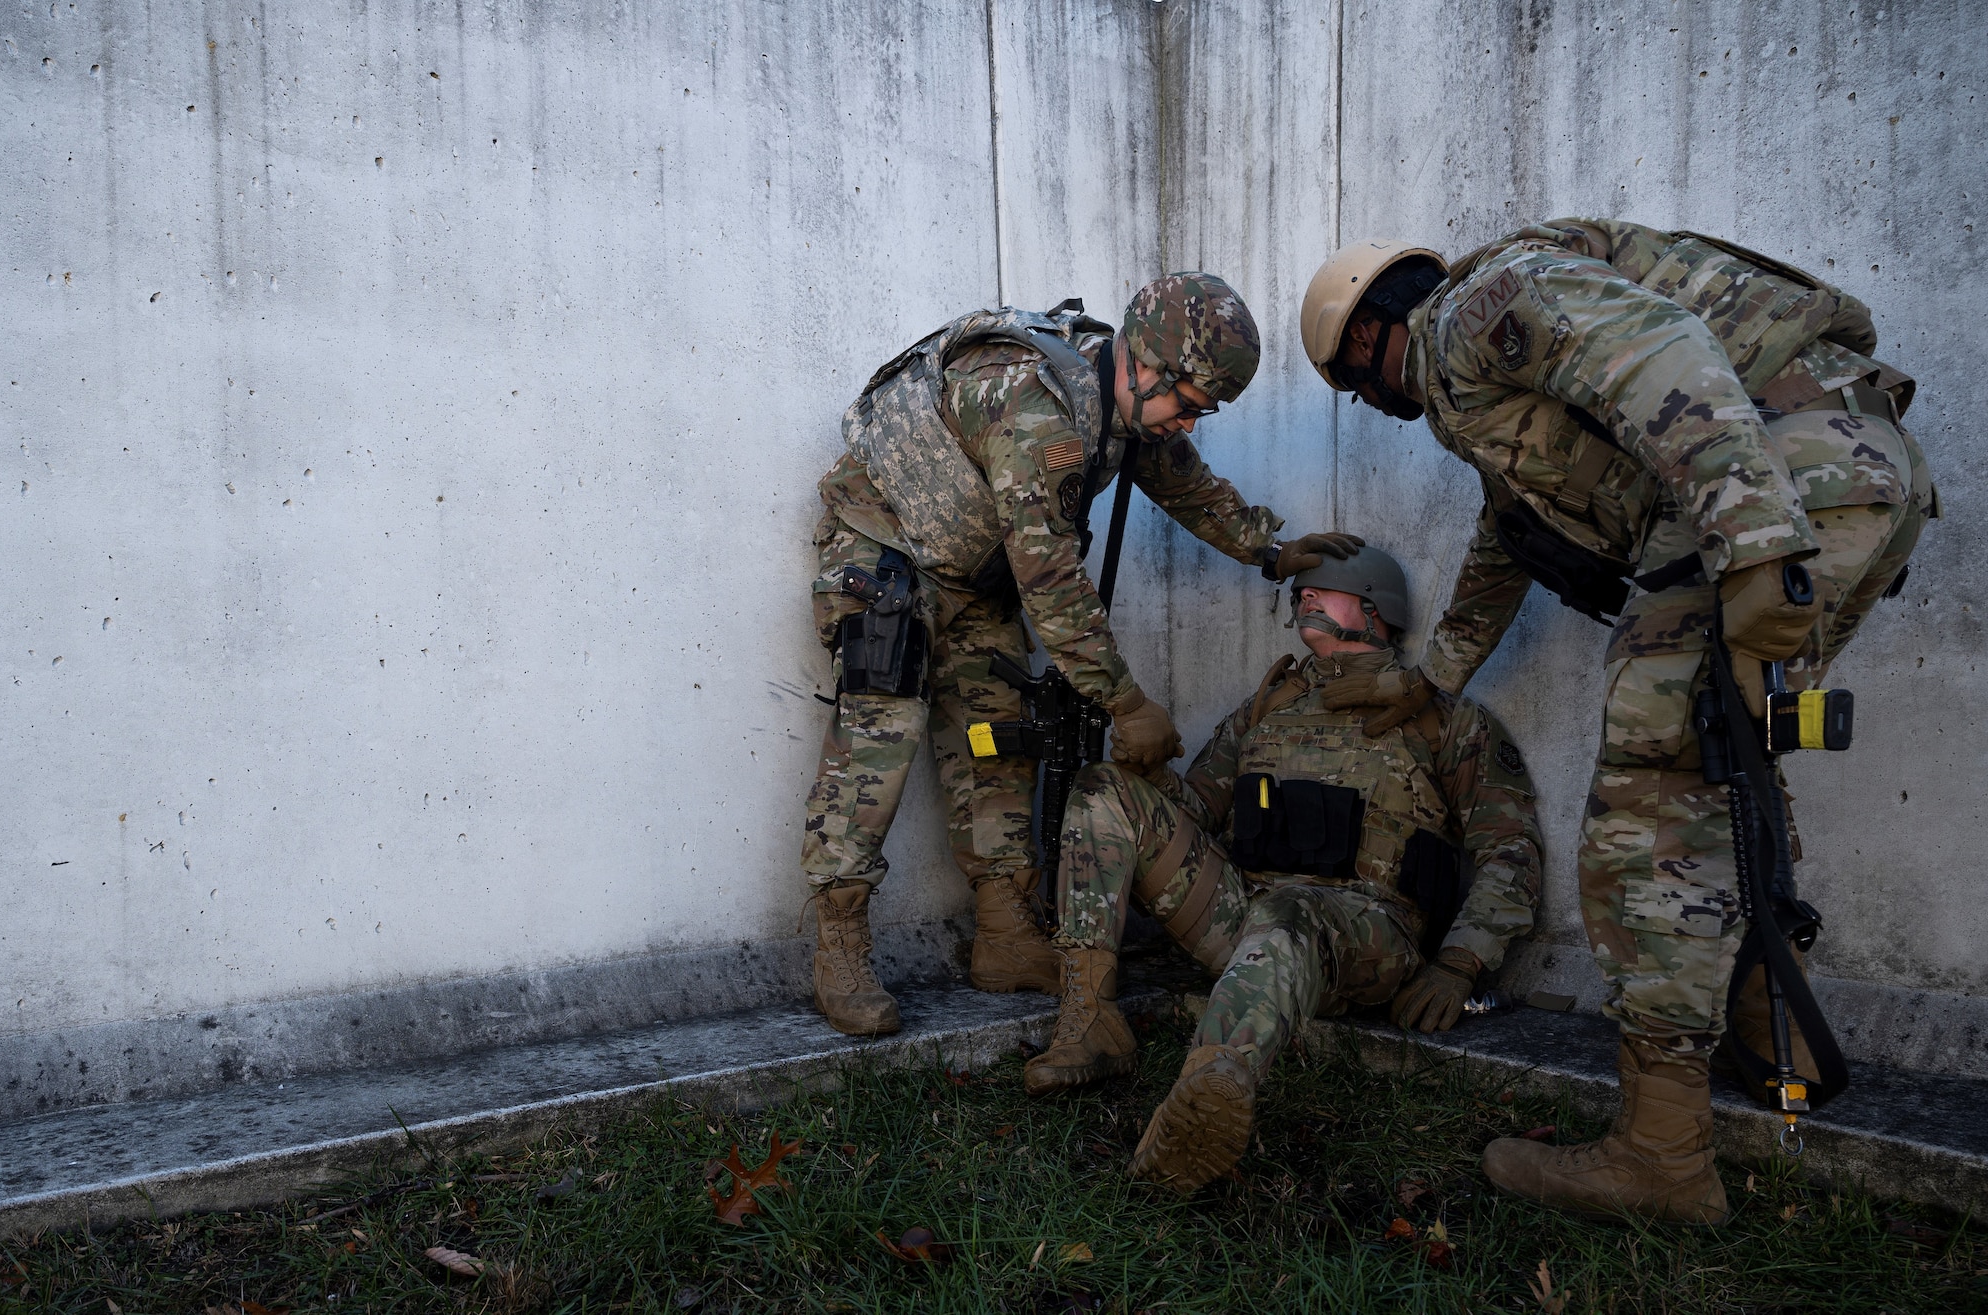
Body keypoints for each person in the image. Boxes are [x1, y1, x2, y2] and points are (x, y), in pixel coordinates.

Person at [1299, 221, 1937, 1223]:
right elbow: (1501, 545)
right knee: (1715, 761)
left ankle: (1660, 1152)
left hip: (1778, 477)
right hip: (1836, 468)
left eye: (1352, 386)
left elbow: (1654, 348)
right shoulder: (1486, 387)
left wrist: (1752, 531)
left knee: (1644, 799)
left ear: (1370, 339)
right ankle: (1775, 1032)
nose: (1372, 409)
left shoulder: (1478, 308)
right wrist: (1430, 682)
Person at [804, 275, 1359, 1037]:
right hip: (885, 541)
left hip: (971, 562)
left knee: (996, 732)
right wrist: (1127, 705)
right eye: (1189, 404)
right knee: (883, 721)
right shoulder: (1038, 416)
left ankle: (1004, 932)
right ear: (1148, 366)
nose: (1190, 425)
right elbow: (1055, 587)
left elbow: (1184, 485)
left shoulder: (1120, 398)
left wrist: (1270, 546)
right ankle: (838, 939)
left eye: (1204, 410)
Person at [1021, 544, 1542, 1196]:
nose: (1306, 596)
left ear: (1375, 606)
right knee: (1105, 789)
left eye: (1324, 587)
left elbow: (1512, 850)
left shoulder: (1441, 716)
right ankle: (1089, 1018)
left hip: (1365, 930)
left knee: (1288, 912)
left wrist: (1459, 961)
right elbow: (1195, 810)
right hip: (1246, 916)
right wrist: (1142, 771)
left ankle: (1210, 1092)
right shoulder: (1266, 707)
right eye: (1300, 591)